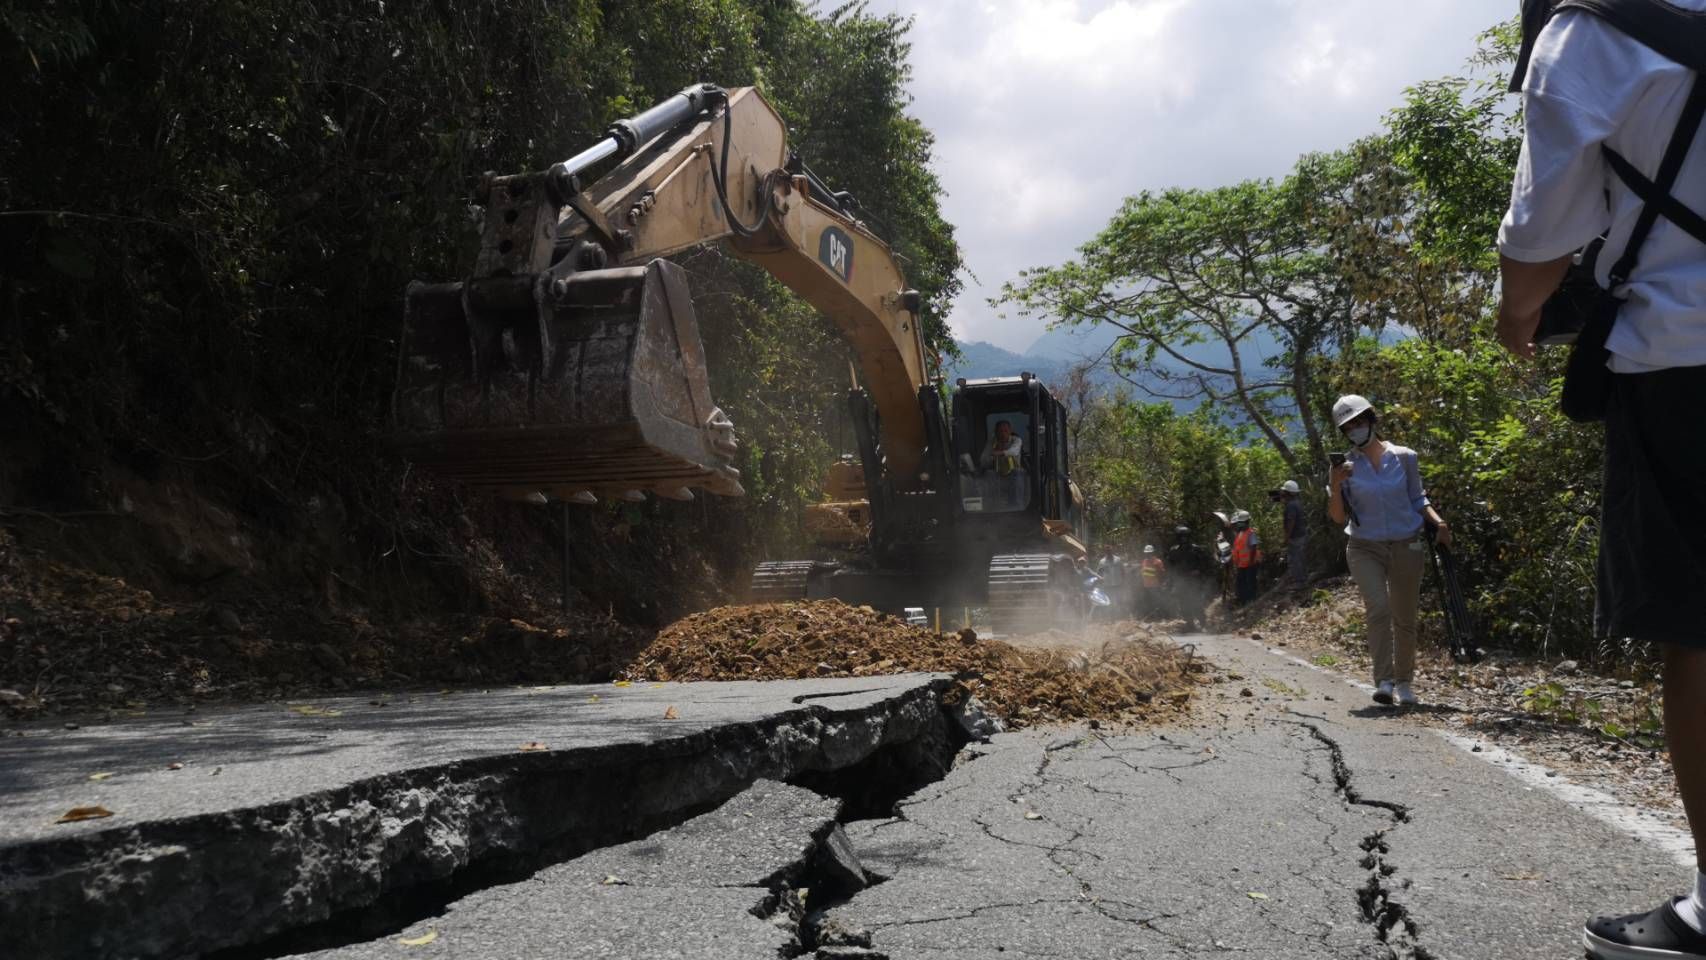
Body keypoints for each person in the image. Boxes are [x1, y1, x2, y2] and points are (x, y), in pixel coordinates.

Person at [1498, 4, 1706, 956]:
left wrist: (1517, 320)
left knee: (1696, 634)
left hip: (1682, 367)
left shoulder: (1591, 33)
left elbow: (1542, 238)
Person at [1325, 394, 1451, 709]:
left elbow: (1417, 498)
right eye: (1348, 426)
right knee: (1378, 608)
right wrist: (1336, 484)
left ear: (1371, 419)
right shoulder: (1346, 468)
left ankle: (1405, 683)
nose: (1355, 429)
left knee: (1405, 616)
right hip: (1364, 546)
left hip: (1406, 542)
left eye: (1359, 421)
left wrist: (1440, 524)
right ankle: (1383, 681)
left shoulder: (1405, 456)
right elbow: (1338, 517)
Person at [1165, 525, 1215, 630]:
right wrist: (1170, 581)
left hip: (1194, 581)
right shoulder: (1173, 551)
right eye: (1181, 537)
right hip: (1181, 581)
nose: (1184, 539)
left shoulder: (1196, 549)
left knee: (1196, 602)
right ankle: (1190, 624)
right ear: (1178, 537)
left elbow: (1205, 563)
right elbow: (1170, 567)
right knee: (1183, 604)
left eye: (1186, 537)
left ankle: (1203, 623)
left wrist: (1199, 571)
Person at [1273, 480, 1309, 595]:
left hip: (1295, 537)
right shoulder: (1297, 502)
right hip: (1301, 535)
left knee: (1295, 560)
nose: (1282, 494)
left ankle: (1300, 583)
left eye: (1284, 492)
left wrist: (1286, 538)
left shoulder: (1291, 506)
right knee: (1300, 558)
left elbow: (1291, 521)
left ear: (1288, 493)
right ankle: (1302, 580)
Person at [980, 420, 1024, 506]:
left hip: (1014, 474)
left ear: (1010, 431)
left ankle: (1017, 505)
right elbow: (983, 460)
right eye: (1000, 431)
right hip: (996, 473)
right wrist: (992, 458)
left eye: (1006, 431)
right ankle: (991, 506)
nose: (1003, 434)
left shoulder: (1017, 440)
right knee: (988, 474)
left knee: (1018, 473)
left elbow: (1014, 451)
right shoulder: (992, 442)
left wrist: (1001, 453)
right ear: (996, 433)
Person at [1229, 511, 1261, 607]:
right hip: (1242, 564)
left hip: (1250, 564)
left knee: (1250, 583)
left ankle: (1251, 602)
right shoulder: (1240, 533)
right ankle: (1243, 602)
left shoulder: (1250, 533)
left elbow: (1253, 548)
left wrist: (1251, 562)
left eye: (1241, 522)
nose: (1239, 524)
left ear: (1247, 522)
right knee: (1241, 584)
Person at [1137, 544, 1165, 617]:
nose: (1147, 554)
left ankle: (1159, 615)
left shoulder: (1158, 561)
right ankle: (1151, 615)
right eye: (1146, 553)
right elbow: (1143, 572)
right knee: (1148, 601)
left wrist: (1161, 583)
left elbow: (1162, 573)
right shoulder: (1144, 561)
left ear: (1152, 553)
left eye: (1149, 553)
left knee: (1156, 601)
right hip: (1146, 585)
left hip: (1155, 585)